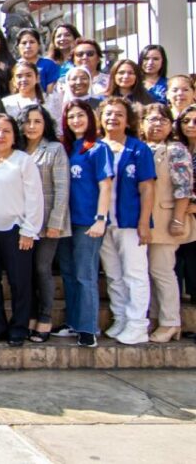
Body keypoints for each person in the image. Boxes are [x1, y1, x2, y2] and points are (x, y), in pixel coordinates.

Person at [0, 113, 44, 346]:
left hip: (16, 231)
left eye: (6, 131)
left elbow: (35, 198)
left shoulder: (23, 161)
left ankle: (19, 328)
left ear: (15, 136)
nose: (0, 135)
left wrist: (29, 230)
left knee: (20, 282)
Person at [52, 99, 113, 348]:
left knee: (85, 274)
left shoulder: (98, 148)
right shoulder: (66, 148)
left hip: (87, 221)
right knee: (68, 273)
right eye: (71, 116)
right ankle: (73, 323)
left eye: (80, 115)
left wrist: (101, 218)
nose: (76, 120)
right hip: (65, 220)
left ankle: (88, 328)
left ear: (90, 118)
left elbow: (105, 184)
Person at [98, 97, 156, 345]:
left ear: (128, 119)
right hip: (103, 223)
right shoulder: (96, 147)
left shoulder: (138, 149)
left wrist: (144, 221)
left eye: (119, 114)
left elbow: (147, 187)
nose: (113, 118)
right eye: (109, 114)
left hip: (130, 222)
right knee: (113, 273)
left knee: (135, 273)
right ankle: (121, 317)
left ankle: (138, 324)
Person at [18, 105, 70, 344]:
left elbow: (61, 189)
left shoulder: (55, 149)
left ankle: (45, 317)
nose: (31, 126)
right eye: (27, 121)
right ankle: (29, 316)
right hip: (22, 221)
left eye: (37, 121)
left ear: (45, 124)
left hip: (48, 221)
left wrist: (55, 223)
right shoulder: (17, 149)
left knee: (42, 269)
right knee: (25, 271)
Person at [140, 103, 192, 342]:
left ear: (171, 125)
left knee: (162, 270)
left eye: (162, 120)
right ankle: (155, 316)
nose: (157, 124)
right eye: (151, 119)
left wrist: (178, 219)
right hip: (144, 220)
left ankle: (171, 321)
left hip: (166, 219)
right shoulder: (142, 148)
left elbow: (184, 188)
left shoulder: (176, 150)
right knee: (149, 271)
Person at [173, 105, 196, 310]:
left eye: (195, 121)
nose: (190, 126)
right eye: (186, 121)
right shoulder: (178, 149)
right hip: (182, 212)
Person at [15, 28, 60, 95]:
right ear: (18, 47)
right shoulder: (13, 66)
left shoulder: (48, 65)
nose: (28, 46)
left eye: (32, 42)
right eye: (24, 43)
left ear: (39, 45)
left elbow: (50, 93)